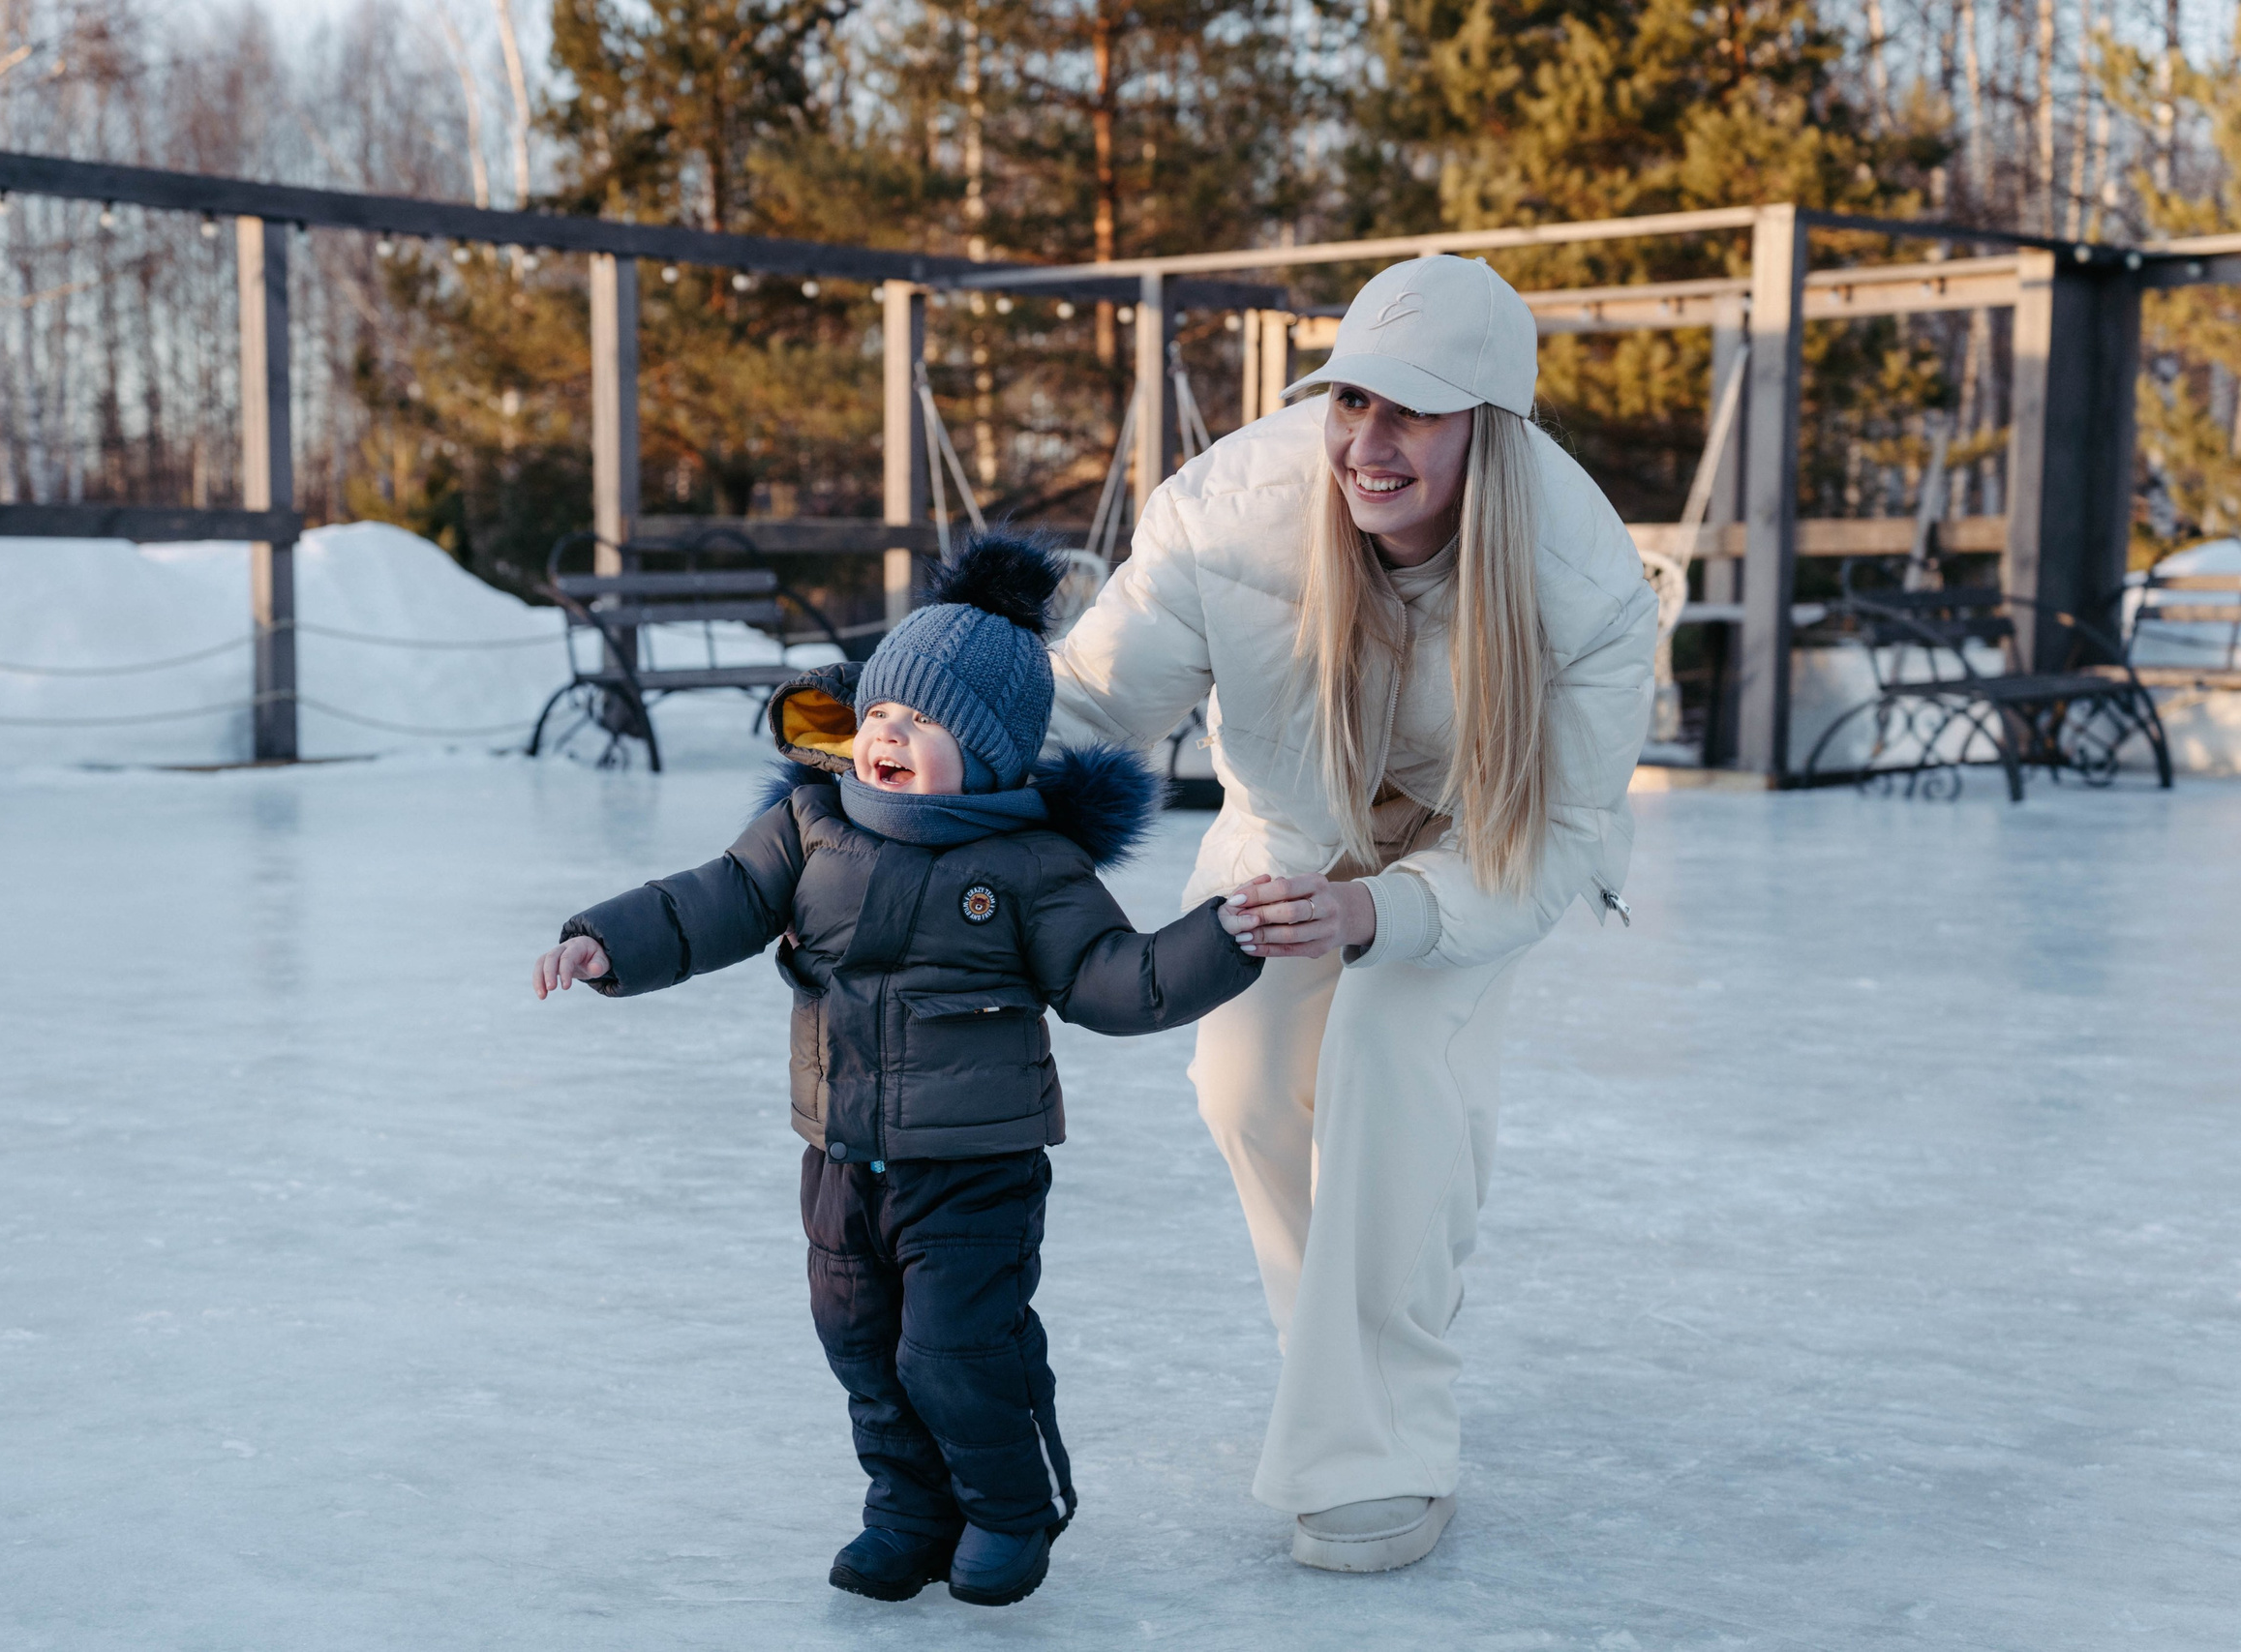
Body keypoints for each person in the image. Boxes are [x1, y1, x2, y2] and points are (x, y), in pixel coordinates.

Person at [1047, 255, 1657, 1572]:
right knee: (1242, 1074)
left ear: (1486, 426)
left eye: (1412, 413)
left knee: (1386, 1063)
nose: (1367, 445)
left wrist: (1381, 916)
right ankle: (1342, 1352)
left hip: (1477, 854)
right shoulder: (1230, 512)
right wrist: (929, 736)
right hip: (1291, 830)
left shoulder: (1586, 582)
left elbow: (1553, 836)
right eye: (1350, 400)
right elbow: (1090, 702)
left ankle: (1379, 1439)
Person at [532, 536, 1261, 1607]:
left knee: (955, 1348)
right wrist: (610, 941)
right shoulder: (809, 824)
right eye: (879, 710)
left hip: (975, 1164)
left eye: (923, 722)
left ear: (990, 751)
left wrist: (1225, 938)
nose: (887, 735)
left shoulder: (1029, 865)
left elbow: (1116, 978)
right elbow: (717, 897)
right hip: (840, 1152)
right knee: (860, 1340)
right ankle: (907, 1509)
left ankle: (1010, 1508)